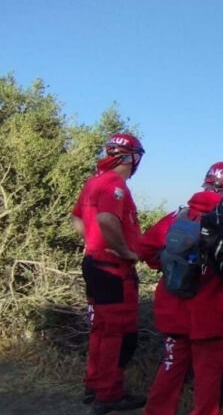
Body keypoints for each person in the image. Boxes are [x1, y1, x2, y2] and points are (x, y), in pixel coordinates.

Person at [139, 162, 223, 415]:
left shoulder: (178, 216)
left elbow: (144, 248)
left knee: (172, 363)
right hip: (212, 314)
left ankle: (157, 411)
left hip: (173, 307)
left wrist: (168, 267)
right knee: (208, 375)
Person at [71, 133, 147, 414]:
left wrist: (91, 242)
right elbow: (106, 219)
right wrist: (126, 252)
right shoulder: (115, 185)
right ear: (134, 157)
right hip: (113, 270)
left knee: (100, 329)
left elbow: (77, 217)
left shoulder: (93, 182)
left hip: (93, 263)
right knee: (118, 333)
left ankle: (94, 385)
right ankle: (109, 394)